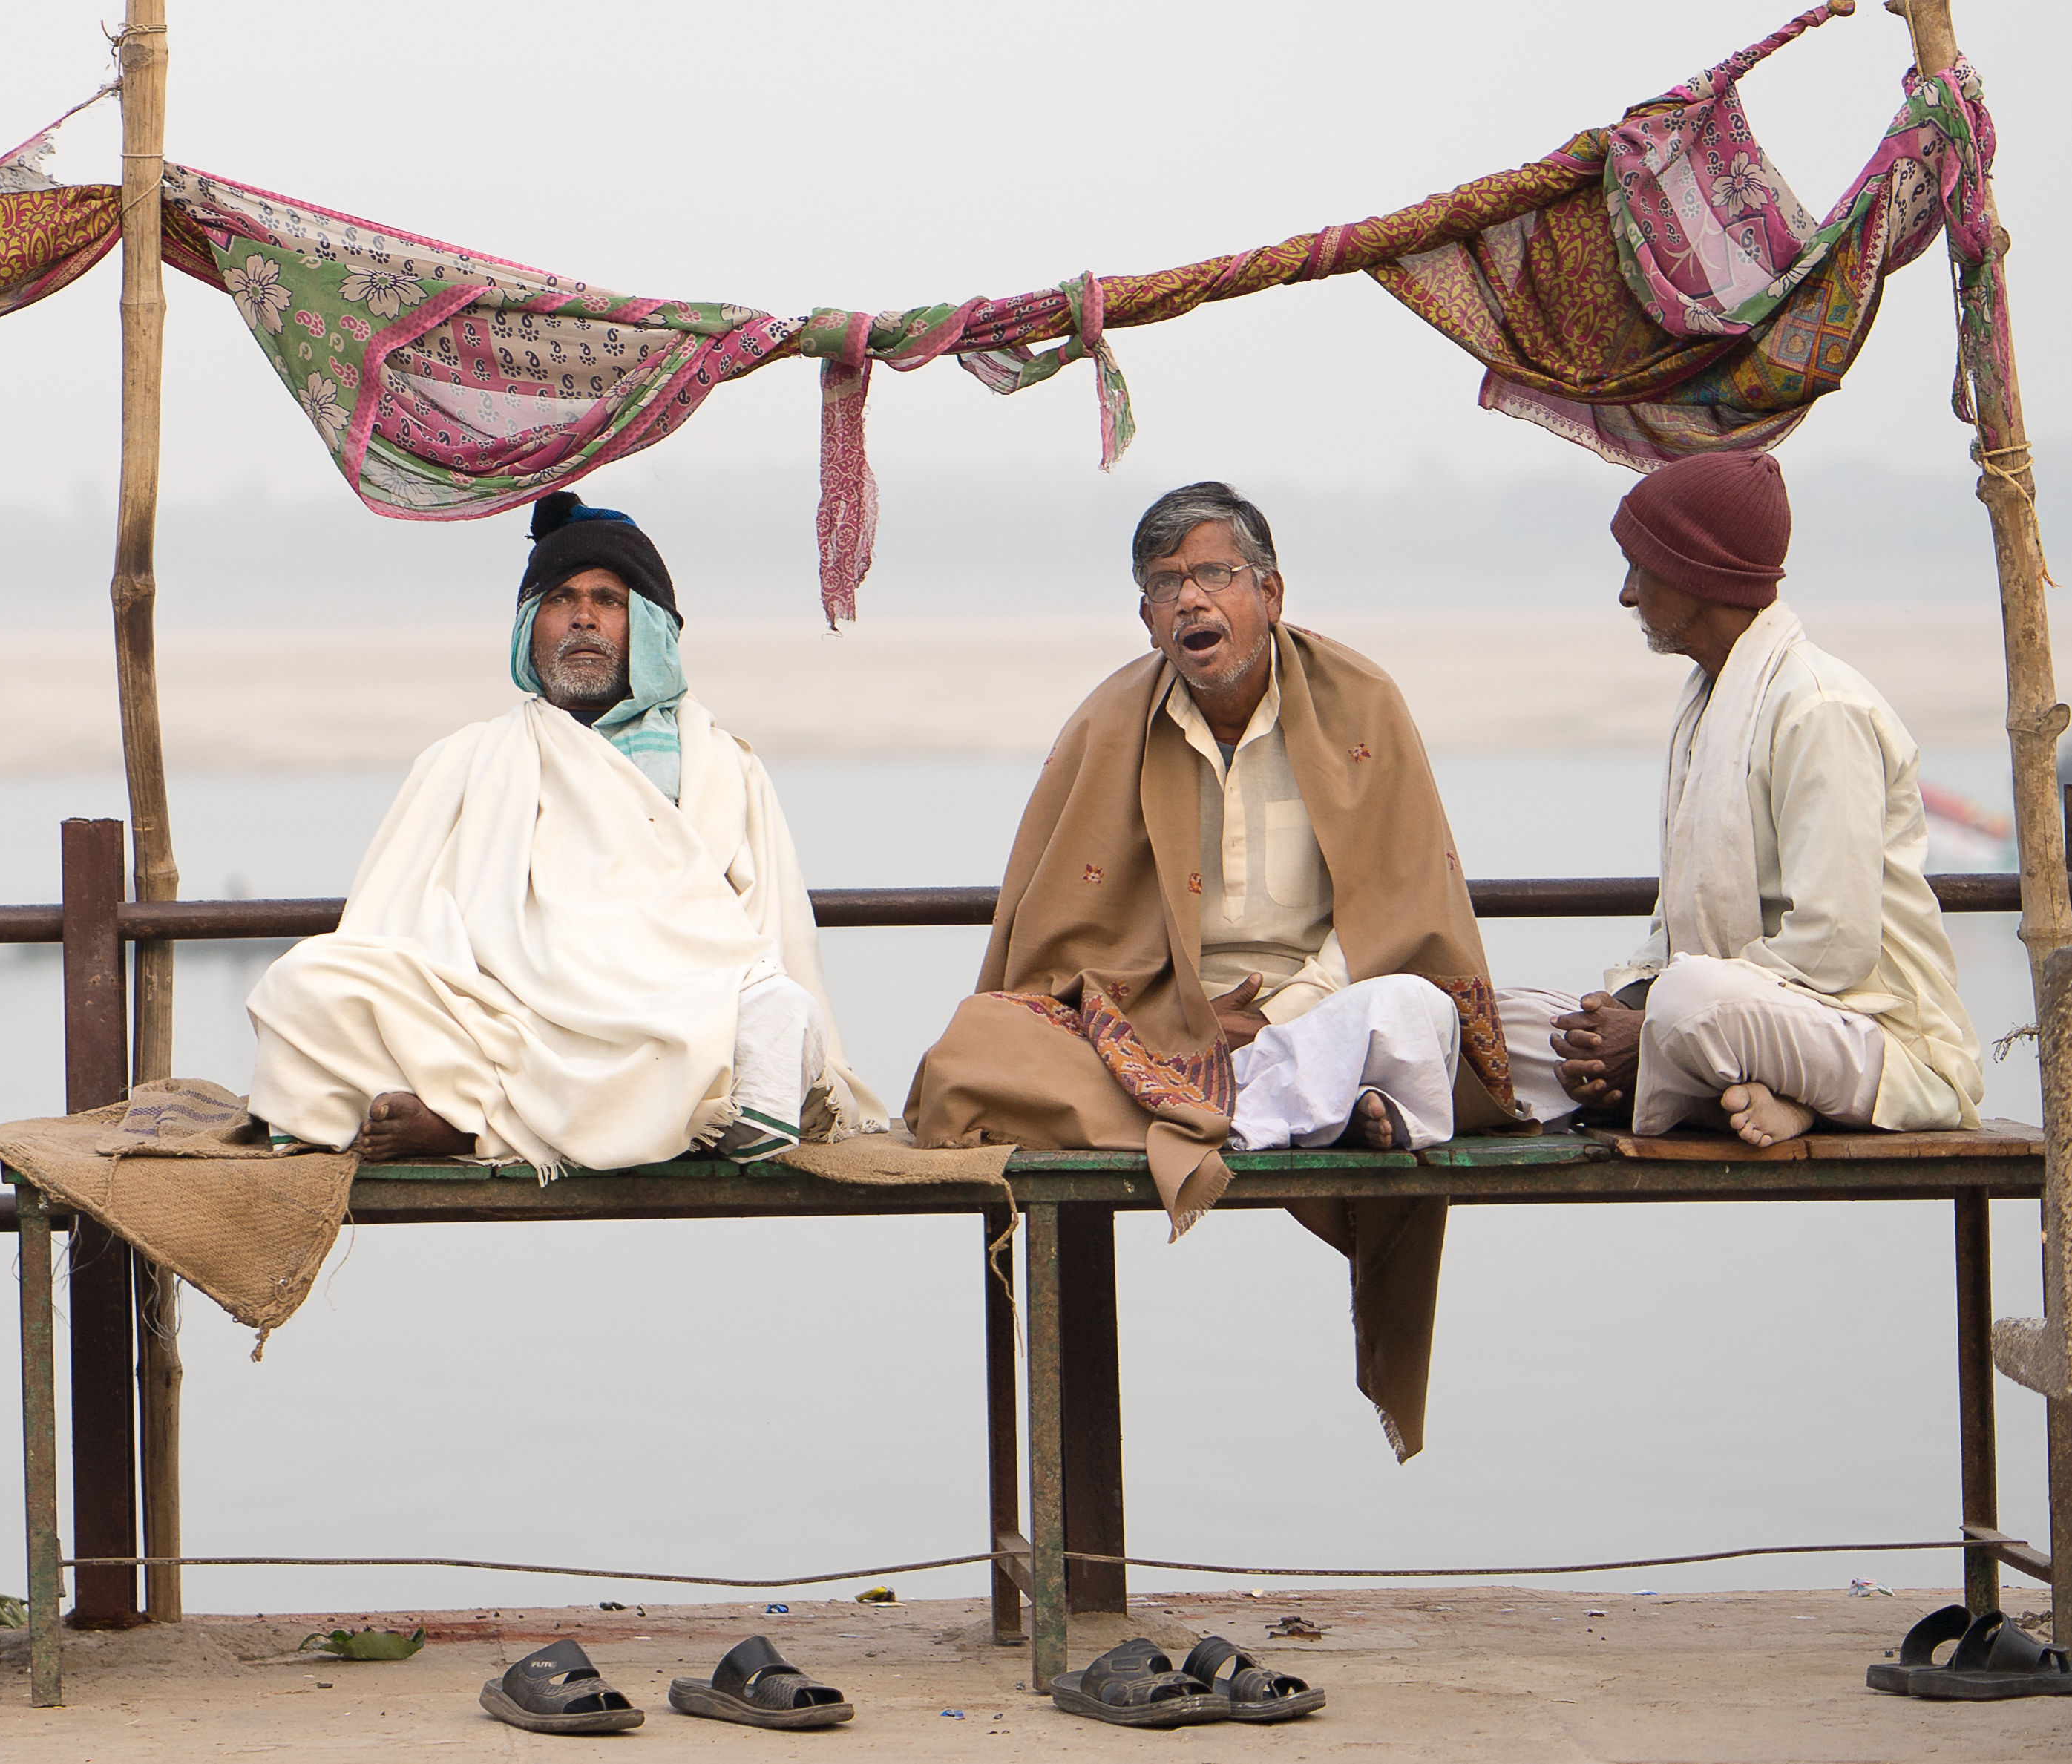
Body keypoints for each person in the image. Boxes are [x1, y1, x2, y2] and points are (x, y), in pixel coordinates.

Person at [906, 481, 1524, 1460]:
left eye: (1213, 575)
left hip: (1326, 1006)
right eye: (1164, 584)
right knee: (976, 1045)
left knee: (1411, 1012)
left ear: (1270, 592)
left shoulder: (1361, 702)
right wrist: (1185, 1022)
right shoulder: (1110, 723)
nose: (1191, 599)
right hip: (1167, 1028)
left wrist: (1291, 1013)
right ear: (1145, 618)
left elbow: (1404, 911)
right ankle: (1293, 1107)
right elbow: (1068, 935)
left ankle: (1260, 1096)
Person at [246, 491, 883, 1171]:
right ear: (530, 628)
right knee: (305, 982)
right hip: (507, 1016)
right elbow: (395, 920)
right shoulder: (469, 757)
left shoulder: (721, 763)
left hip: (674, 1009)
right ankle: (535, 1117)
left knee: (778, 1012)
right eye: (560, 599)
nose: (583, 617)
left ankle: (479, 1122)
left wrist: (724, 998)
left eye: (608, 600)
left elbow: (765, 928)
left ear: (649, 627)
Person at [1518, 451, 1982, 1147]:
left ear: (1694, 575)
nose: (1626, 594)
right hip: (1749, 1020)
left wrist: (1648, 1028)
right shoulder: (1709, 696)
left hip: (1874, 1040)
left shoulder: (1820, 708)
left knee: (1687, 1004)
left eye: (1639, 568)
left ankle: (1718, 1087)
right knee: (1515, 1026)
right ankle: (1719, 1089)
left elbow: (1831, 945)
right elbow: (1674, 930)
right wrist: (1615, 1014)